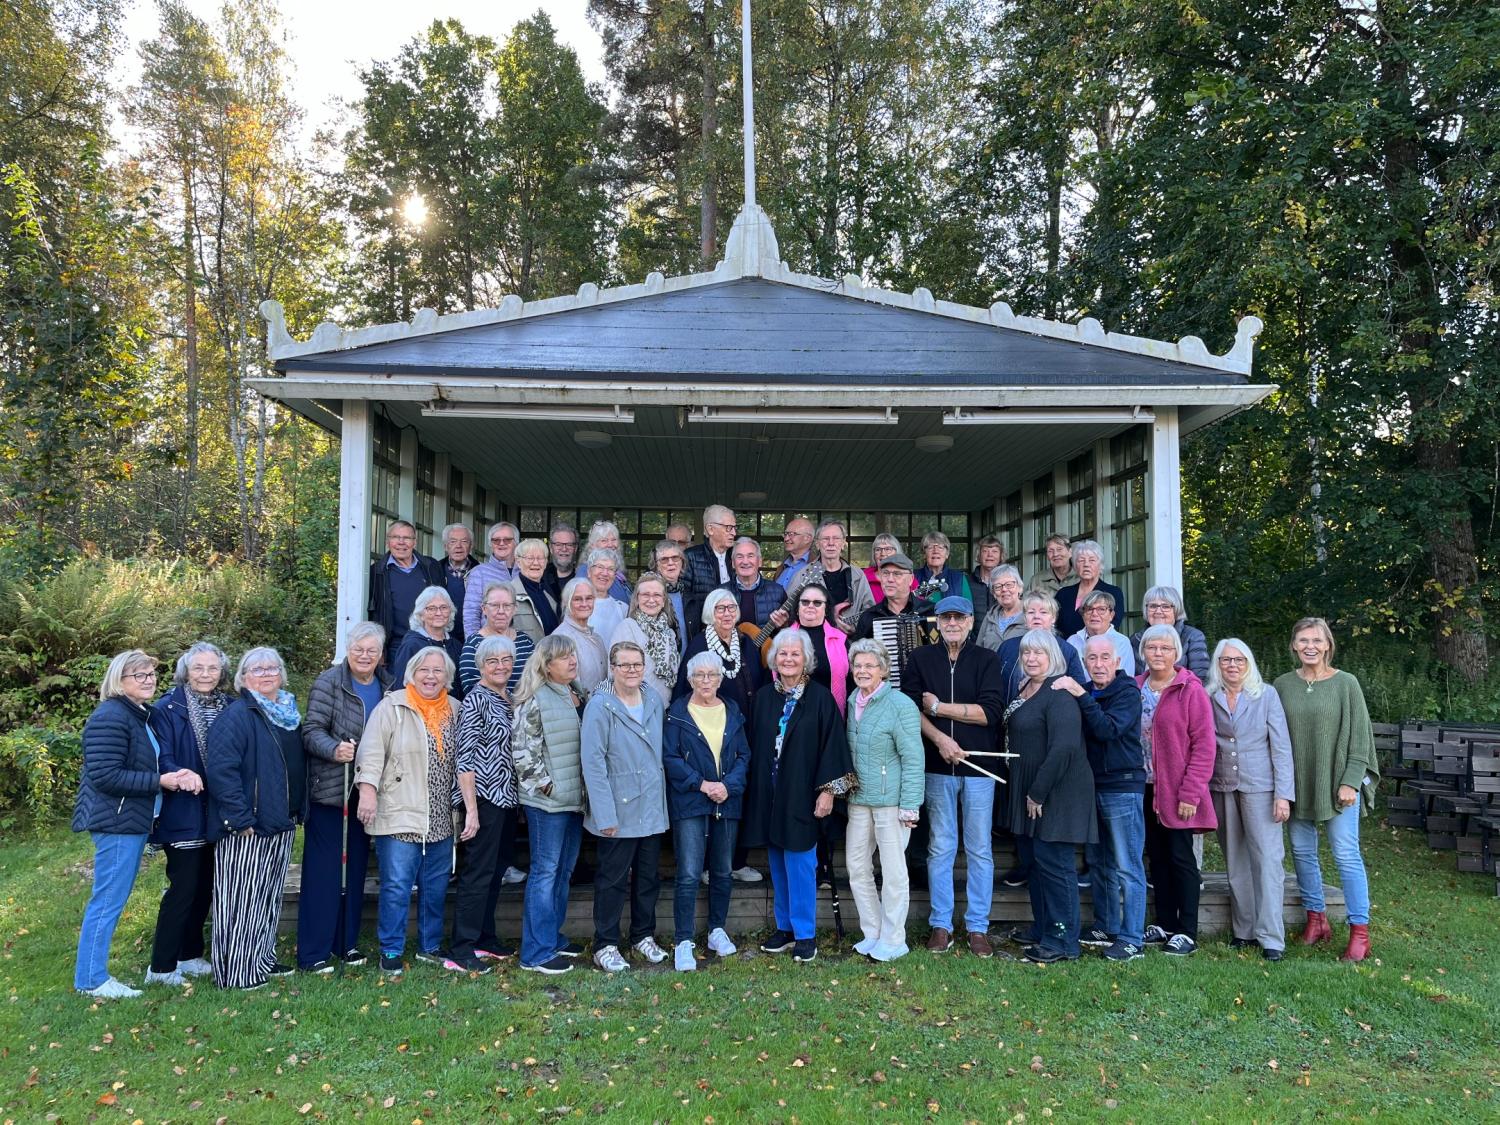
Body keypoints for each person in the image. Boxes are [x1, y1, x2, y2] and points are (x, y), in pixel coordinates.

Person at [73, 651, 197, 999]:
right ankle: (91, 980)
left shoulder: (140, 715)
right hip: (116, 822)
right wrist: (161, 781)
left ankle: (91, 975)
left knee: (111, 897)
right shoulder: (111, 717)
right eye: (137, 675)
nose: (148, 680)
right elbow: (105, 775)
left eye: (150, 674)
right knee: (108, 899)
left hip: (131, 819)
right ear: (118, 680)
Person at [742, 631, 854, 964]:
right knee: (777, 862)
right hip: (771, 794)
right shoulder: (763, 697)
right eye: (782, 654)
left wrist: (828, 792)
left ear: (806, 659)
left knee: (802, 864)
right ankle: (785, 928)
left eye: (795, 654)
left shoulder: (819, 698)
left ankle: (805, 934)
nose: (788, 659)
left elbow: (833, 745)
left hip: (803, 793)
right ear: (774, 660)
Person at [904, 596, 1006, 957]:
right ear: (937, 622)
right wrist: (940, 739)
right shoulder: (919, 659)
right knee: (940, 847)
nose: (951, 623)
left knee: (979, 848)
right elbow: (909, 708)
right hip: (936, 765)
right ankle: (941, 925)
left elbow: (989, 713)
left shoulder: (987, 659)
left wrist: (939, 708)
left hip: (980, 770)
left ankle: (978, 927)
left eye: (958, 617)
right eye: (945, 617)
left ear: (969, 622)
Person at [1273, 617, 1379, 962]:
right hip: (1297, 784)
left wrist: (1351, 781)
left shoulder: (1346, 684)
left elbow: (1360, 738)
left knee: (1346, 855)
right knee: (1302, 854)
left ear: (1328, 645)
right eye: (1303, 640)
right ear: (1293, 645)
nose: (1310, 646)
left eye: (1317, 641)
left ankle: (1359, 932)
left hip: (1337, 785)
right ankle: (1316, 920)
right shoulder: (1282, 685)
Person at [354, 647, 462, 975]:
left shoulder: (456, 710)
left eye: (438, 671)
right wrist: (367, 794)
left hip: (441, 815)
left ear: (448, 677)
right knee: (397, 884)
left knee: (436, 884)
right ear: (411, 673)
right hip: (400, 810)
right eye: (424, 670)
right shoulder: (392, 707)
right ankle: (391, 949)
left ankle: (430, 946)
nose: (431, 676)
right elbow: (370, 754)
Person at [204, 647, 305, 990]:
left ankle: (261, 959)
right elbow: (221, 771)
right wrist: (239, 817)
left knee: (267, 896)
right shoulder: (238, 715)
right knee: (239, 899)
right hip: (248, 826)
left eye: (272, 668)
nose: (265, 674)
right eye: (257, 669)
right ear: (243, 678)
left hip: (280, 820)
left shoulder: (287, 713)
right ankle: (235, 972)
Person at [298, 623, 392, 973]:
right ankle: (313, 951)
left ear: (380, 655)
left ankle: (345, 943)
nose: (365, 656)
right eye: (358, 649)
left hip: (369, 792)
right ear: (348, 650)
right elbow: (310, 731)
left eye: (372, 651)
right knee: (324, 872)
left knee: (353, 870)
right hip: (333, 790)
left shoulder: (388, 685)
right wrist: (334, 748)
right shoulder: (330, 682)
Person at [1050, 635, 1146, 962]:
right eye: (1092, 658)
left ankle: (1132, 938)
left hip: (1122, 787)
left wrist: (1080, 695)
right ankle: (1107, 926)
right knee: (1099, 861)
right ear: (1085, 662)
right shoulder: (1089, 691)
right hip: (1092, 787)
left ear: (1117, 661)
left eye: (1106, 657)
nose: (1099, 664)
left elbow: (1107, 729)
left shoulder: (1128, 692)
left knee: (1127, 866)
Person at [1004, 630, 1094, 963]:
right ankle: (1044, 928)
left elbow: (1064, 748)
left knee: (1056, 867)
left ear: (1052, 656)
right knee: (1038, 866)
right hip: (1029, 789)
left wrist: (1038, 793)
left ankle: (1063, 941)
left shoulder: (1059, 691)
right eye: (1026, 653)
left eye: (1039, 653)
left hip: (1056, 791)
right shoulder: (1025, 687)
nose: (1031, 658)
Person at [582, 641, 670, 972]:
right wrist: (604, 814)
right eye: (624, 665)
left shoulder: (652, 699)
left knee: (648, 877)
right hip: (618, 809)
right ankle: (605, 944)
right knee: (612, 880)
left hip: (650, 805)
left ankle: (642, 935)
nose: (631, 670)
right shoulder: (600, 707)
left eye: (637, 664)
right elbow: (593, 763)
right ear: (612, 668)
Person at [146, 643, 230, 986]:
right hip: (183, 809)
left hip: (216, 812)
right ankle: (161, 967)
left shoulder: (231, 706)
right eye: (199, 668)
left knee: (205, 886)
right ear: (186, 671)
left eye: (212, 668)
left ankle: (190, 954)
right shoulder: (167, 708)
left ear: (221, 671)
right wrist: (179, 775)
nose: (206, 674)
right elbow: (161, 756)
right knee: (183, 888)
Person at [1208, 638, 1294, 961]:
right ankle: (1244, 931)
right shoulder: (1210, 697)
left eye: (1239, 660)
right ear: (1218, 664)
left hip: (1262, 788)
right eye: (1226, 660)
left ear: (1249, 663)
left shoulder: (1266, 695)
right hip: (1223, 786)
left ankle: (1271, 937)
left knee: (1268, 860)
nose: (1232, 665)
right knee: (1235, 861)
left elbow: (1281, 747)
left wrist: (1284, 795)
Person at [995, 590, 1088, 889]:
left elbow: (1075, 691)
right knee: (1020, 813)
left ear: (1054, 617)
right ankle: (1026, 866)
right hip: (1015, 740)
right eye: (1031, 611)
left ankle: (1057, 914)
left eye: (1043, 612)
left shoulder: (1066, 651)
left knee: (1043, 820)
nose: (1036, 617)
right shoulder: (1009, 648)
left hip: (1046, 744)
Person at [663, 652, 750, 971]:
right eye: (699, 675)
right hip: (691, 802)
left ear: (720, 678)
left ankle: (716, 930)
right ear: (689, 680)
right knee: (687, 874)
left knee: (723, 870)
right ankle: (683, 940)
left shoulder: (732, 710)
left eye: (712, 675)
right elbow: (670, 758)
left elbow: (744, 755)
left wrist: (728, 786)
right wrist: (702, 785)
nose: (706, 681)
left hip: (727, 800)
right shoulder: (678, 713)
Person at [511, 634, 590, 974]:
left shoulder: (578, 693)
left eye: (573, 655)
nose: (572, 661)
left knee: (563, 871)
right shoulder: (535, 698)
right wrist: (547, 787)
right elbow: (523, 753)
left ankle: (552, 937)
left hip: (574, 800)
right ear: (546, 665)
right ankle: (535, 952)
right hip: (548, 803)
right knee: (545, 872)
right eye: (563, 658)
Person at [1136, 624, 1216, 957]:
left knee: (1182, 860)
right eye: (1152, 647)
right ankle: (1166, 923)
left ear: (1176, 653)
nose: (1158, 653)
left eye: (1165, 648)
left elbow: (1204, 745)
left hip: (1177, 788)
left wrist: (1190, 793)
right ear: (1143, 652)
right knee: (1158, 858)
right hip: (1143, 787)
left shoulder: (1189, 690)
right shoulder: (1136, 687)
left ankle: (1188, 930)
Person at [844, 639, 924, 961]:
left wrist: (911, 804)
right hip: (859, 799)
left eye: (869, 665)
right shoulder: (852, 701)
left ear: (883, 670)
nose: (862, 671)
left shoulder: (900, 705)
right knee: (857, 866)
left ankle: (894, 939)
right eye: (857, 665)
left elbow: (913, 758)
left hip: (892, 802)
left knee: (893, 872)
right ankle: (873, 932)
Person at [448, 635, 521, 973]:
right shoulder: (477, 700)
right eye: (493, 662)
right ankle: (461, 947)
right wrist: (472, 811)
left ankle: (484, 937)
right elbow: (465, 759)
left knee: (495, 873)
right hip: (485, 800)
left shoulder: (506, 698)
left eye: (506, 660)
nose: (501, 666)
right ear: (480, 667)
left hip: (507, 800)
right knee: (478, 874)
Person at [771, 520, 875, 634]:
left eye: (836, 538)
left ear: (843, 543)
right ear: (817, 544)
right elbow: (790, 614)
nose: (831, 543)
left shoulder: (857, 575)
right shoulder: (802, 575)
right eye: (825, 539)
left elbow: (870, 612)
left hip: (849, 645)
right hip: (813, 645)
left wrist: (855, 628)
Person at [676, 589, 762, 726]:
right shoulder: (699, 646)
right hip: (717, 725)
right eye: (720, 609)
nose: (727, 613)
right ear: (710, 612)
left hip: (752, 723)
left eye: (731, 607)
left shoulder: (746, 642)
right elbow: (684, 689)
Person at [369, 519, 443, 670]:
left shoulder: (431, 567)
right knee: (398, 691)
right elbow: (372, 613)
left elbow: (444, 603)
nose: (401, 542)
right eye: (396, 537)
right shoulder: (376, 572)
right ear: (388, 542)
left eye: (407, 538)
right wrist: (379, 648)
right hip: (395, 646)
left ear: (414, 542)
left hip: (428, 641)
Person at [610, 572, 682, 705]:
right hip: (635, 708)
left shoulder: (669, 633)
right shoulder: (627, 628)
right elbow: (615, 675)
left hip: (664, 709)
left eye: (657, 595)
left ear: (663, 600)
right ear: (637, 599)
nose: (651, 600)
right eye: (645, 595)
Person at [459, 583, 535, 696]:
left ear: (515, 609)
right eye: (494, 605)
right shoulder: (473, 644)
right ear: (484, 609)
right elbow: (471, 689)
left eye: (507, 605)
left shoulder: (526, 642)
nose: (501, 611)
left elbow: (536, 680)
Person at [787, 582, 852, 714]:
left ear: (826, 608)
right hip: (792, 715)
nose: (810, 606)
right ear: (797, 607)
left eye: (817, 603)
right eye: (805, 602)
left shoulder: (841, 640)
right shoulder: (783, 639)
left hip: (829, 714)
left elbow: (851, 682)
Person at [852, 551, 935, 646]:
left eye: (897, 574)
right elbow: (857, 655)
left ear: (911, 579)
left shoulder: (930, 611)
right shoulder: (869, 617)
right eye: (885, 573)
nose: (890, 579)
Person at [1130, 586, 1211, 682]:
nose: (1158, 611)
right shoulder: (1136, 639)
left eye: (1165, 606)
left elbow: (1199, 678)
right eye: (1153, 606)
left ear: (1176, 610)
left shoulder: (1193, 637)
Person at [390, 586, 464, 682]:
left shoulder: (456, 646)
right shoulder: (411, 646)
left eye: (444, 607)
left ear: (450, 612)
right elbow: (401, 686)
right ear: (420, 614)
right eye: (431, 608)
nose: (438, 613)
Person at [1055, 540, 1126, 638]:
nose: (1086, 564)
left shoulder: (1113, 592)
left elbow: (1113, 626)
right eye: (1081, 560)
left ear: (1100, 565)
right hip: (1067, 650)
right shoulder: (1063, 594)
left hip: (1100, 648)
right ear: (1075, 566)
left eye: (1092, 560)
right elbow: (1055, 626)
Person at [683, 504, 739, 624]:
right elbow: (685, 601)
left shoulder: (738, 557)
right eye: (728, 527)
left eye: (735, 527)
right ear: (710, 529)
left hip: (733, 629)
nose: (734, 533)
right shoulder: (690, 557)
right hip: (702, 630)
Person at [462, 522, 520, 637]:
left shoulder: (525, 571)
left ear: (516, 542)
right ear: (491, 544)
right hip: (490, 645)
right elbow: (471, 615)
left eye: (507, 540)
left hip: (522, 642)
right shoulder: (479, 573)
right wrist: (474, 645)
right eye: (496, 540)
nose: (501, 543)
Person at [555, 577, 609, 691]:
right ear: (566, 602)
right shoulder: (561, 639)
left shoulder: (597, 638)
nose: (584, 604)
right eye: (577, 599)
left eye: (589, 598)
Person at [720, 536, 784, 630]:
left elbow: (792, 629)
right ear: (733, 563)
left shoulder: (778, 592)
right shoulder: (719, 593)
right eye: (739, 556)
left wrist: (784, 624)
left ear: (760, 562)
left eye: (750, 556)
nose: (745, 562)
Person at [1067, 591, 1136, 675]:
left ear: (1111, 615)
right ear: (1083, 614)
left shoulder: (1121, 642)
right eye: (1089, 609)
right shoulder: (1072, 641)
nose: (1094, 614)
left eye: (1101, 609)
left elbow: (1125, 679)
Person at [437, 523, 481, 646]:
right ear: (446, 546)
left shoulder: (482, 572)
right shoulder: (435, 571)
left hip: (473, 638)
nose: (458, 546)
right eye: (453, 541)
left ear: (471, 546)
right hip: (442, 638)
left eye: (464, 541)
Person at [511, 538, 560, 643]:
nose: (536, 563)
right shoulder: (509, 594)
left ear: (546, 562)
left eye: (541, 558)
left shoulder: (549, 593)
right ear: (518, 562)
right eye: (530, 558)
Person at [651, 539, 691, 655]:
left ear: (682, 562)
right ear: (656, 565)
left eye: (675, 558)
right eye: (664, 559)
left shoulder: (690, 597)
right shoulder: (649, 596)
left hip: (687, 666)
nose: (670, 563)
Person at [975, 565, 1026, 652]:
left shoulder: (1031, 614)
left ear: (1020, 588)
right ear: (994, 593)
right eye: (998, 586)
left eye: (1009, 585)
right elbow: (978, 651)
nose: (1004, 589)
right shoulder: (990, 617)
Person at [914, 531, 972, 604]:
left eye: (940, 547)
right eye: (930, 547)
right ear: (924, 554)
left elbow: (969, 612)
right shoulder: (913, 578)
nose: (936, 551)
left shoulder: (960, 578)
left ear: (947, 554)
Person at [583, 520, 632, 602]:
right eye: (604, 540)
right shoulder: (586, 570)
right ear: (592, 545)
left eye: (613, 540)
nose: (610, 544)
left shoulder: (618, 573)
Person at [585, 548, 630, 637]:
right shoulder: (576, 606)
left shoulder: (623, 609)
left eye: (610, 569)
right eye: (600, 567)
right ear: (589, 572)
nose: (605, 573)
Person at [863, 533, 915, 604]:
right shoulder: (863, 577)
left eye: (888, 549)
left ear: (897, 552)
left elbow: (917, 604)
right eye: (878, 549)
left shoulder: (906, 576)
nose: (883, 553)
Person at [969, 535, 1007, 623]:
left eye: (994, 551)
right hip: (974, 635)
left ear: (1001, 555)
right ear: (979, 555)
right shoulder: (967, 582)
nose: (990, 555)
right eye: (985, 551)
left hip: (1001, 634)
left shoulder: (1008, 584)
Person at [773, 517, 816, 590]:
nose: (786, 539)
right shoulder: (781, 568)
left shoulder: (816, 567)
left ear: (807, 539)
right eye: (785, 534)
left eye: (791, 534)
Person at [543, 521, 580, 603]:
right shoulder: (539, 578)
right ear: (550, 548)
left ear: (575, 548)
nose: (564, 549)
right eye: (558, 544)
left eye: (569, 544)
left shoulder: (583, 578)